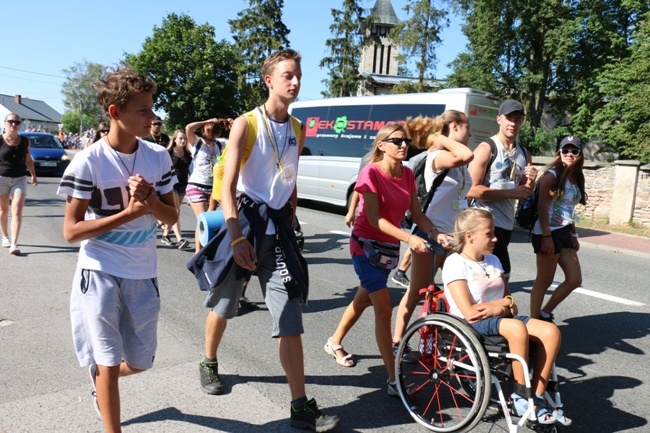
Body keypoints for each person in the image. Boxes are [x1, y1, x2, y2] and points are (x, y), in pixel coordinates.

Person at [197, 49, 339, 432]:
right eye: (288, 75)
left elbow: (289, 179)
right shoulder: (246, 124)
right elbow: (226, 186)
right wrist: (237, 237)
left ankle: (299, 405)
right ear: (269, 80)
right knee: (225, 305)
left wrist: (292, 220)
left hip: (277, 236)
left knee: (289, 316)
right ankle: (209, 361)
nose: (295, 82)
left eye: (298, 75)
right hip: (245, 228)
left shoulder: (296, 127)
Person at [57, 67, 178, 433]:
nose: (152, 117)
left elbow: (171, 217)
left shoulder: (158, 158)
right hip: (99, 272)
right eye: (143, 110)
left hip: (143, 274)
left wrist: (150, 201)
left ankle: (101, 381)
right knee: (108, 361)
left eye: (152, 108)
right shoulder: (89, 162)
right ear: (115, 112)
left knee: (140, 362)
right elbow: (71, 231)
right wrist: (127, 213)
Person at [325, 123, 436, 397]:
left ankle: (334, 341)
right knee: (384, 309)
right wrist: (410, 239)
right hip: (364, 246)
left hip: (388, 250)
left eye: (406, 140)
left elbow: (417, 214)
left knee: (363, 300)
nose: (403, 145)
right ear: (382, 145)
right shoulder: (371, 172)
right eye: (396, 140)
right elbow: (374, 218)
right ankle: (392, 378)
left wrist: (435, 234)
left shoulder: (408, 173)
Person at [442, 208, 570, 425]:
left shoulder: (493, 260)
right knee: (516, 328)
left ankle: (536, 397)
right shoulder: (455, 263)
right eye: (489, 233)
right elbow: (470, 312)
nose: (495, 238)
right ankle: (521, 397)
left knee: (550, 331)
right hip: (469, 325)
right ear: (469, 236)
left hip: (500, 319)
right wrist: (501, 306)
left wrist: (499, 307)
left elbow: (512, 304)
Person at [392, 111, 474, 356]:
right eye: (466, 128)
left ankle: (437, 341)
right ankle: (397, 342)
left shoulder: (457, 163)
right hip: (431, 234)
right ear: (454, 126)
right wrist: (439, 138)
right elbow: (465, 154)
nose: (470, 134)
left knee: (450, 292)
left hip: (455, 238)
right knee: (417, 290)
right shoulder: (437, 157)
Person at [466, 99, 537, 283]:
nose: (513, 123)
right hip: (483, 221)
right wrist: (510, 193)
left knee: (496, 280)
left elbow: (524, 191)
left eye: (518, 119)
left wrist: (531, 181)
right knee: (498, 279)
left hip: (506, 224)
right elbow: (470, 190)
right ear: (499, 119)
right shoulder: (486, 148)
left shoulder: (524, 153)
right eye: (509, 118)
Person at [530, 136, 587, 321]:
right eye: (566, 150)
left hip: (564, 232)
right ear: (559, 153)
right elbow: (542, 207)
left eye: (574, 151)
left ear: (580, 154)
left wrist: (574, 234)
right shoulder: (551, 175)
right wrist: (546, 236)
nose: (570, 154)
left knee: (574, 279)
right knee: (544, 281)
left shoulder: (575, 177)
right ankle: (533, 322)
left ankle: (545, 312)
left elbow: (569, 209)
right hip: (549, 232)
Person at [185, 117, 227, 253]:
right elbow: (189, 128)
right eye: (207, 132)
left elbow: (237, 141)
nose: (209, 137)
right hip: (196, 185)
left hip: (214, 189)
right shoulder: (197, 142)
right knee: (203, 218)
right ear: (203, 131)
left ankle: (205, 250)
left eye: (212, 134)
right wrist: (208, 121)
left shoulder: (221, 144)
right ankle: (199, 252)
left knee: (208, 221)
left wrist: (231, 125)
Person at [0, 113, 38, 255]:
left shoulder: (25, 141)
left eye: (16, 122)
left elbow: (28, 159)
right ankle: (5, 237)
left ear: (20, 125)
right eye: (11, 121)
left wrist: (33, 175)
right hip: (1, 178)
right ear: (5, 123)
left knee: (16, 210)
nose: (13, 124)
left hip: (20, 178)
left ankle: (14, 244)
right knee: (3, 210)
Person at [161, 130, 192, 249]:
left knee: (175, 211)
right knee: (176, 210)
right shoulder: (168, 153)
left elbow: (190, 169)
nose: (183, 141)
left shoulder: (188, 153)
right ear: (174, 140)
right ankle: (180, 239)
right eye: (180, 138)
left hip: (183, 184)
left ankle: (165, 235)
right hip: (171, 184)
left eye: (184, 139)